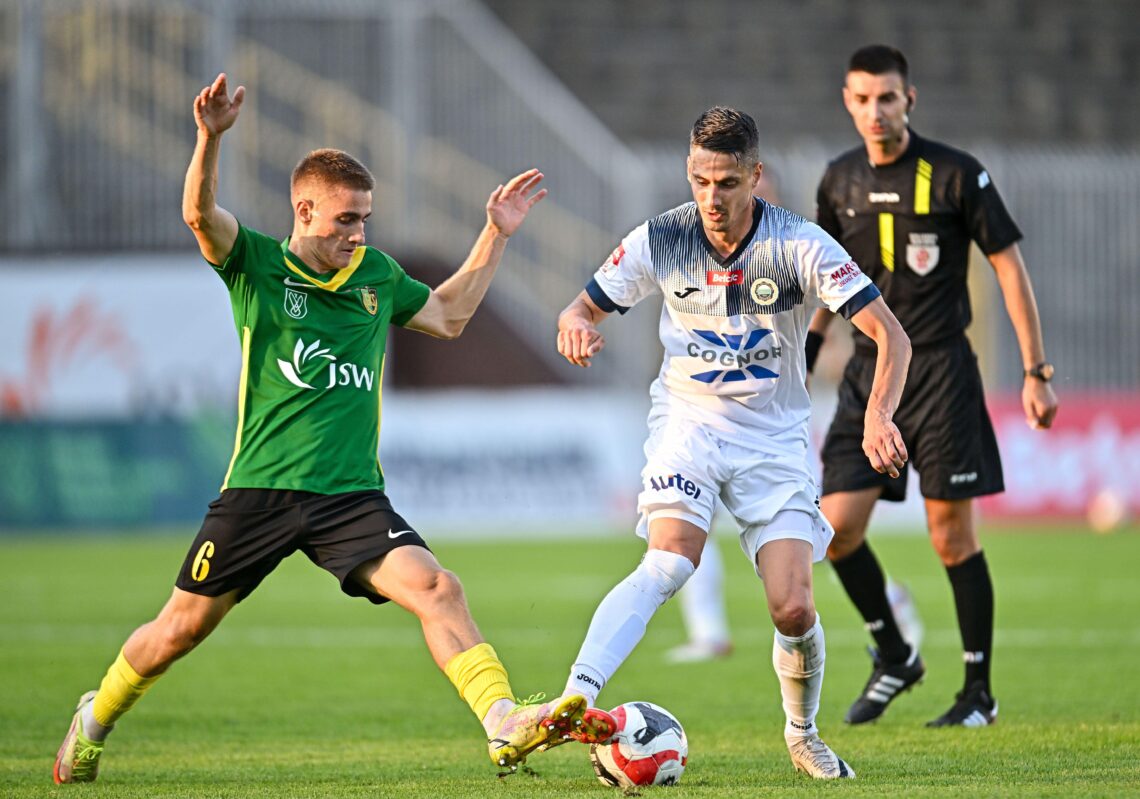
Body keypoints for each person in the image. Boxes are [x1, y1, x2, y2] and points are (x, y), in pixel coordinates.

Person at [53, 73, 587, 784]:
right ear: (303, 210)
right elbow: (199, 215)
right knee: (179, 629)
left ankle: (502, 722)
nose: (357, 232)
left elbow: (449, 316)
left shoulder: (375, 276)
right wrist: (209, 138)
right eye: (344, 219)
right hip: (260, 491)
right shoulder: (259, 267)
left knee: (438, 587)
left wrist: (494, 234)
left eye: (364, 218)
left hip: (349, 497)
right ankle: (93, 720)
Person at [554, 106, 911, 779]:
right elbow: (582, 305)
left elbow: (891, 333)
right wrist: (573, 325)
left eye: (726, 182)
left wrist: (878, 415)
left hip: (773, 439)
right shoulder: (661, 238)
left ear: (756, 175)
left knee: (793, 604)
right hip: (687, 424)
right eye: (699, 181)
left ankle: (801, 732)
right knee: (669, 561)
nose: (711, 198)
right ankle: (577, 695)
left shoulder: (801, 245)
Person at [812, 45, 1059, 728]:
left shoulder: (957, 174)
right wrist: (807, 352)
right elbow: (821, 277)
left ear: (909, 99)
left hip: (942, 371)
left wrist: (1037, 373)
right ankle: (895, 653)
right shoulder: (837, 181)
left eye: (887, 97)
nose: (875, 110)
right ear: (847, 100)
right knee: (833, 529)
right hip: (867, 374)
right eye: (862, 98)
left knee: (950, 534)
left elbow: (1009, 269)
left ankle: (977, 691)